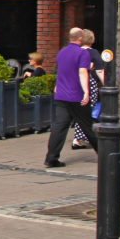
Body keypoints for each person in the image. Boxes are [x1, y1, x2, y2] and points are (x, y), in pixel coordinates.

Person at [44, 28, 98, 168]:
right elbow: (82, 73)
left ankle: (51, 158)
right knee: (88, 126)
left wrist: (57, 86)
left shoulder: (62, 52)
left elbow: (61, 72)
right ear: (81, 38)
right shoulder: (82, 53)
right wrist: (87, 92)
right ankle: (105, 155)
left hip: (61, 96)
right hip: (77, 96)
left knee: (59, 127)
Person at [72, 30, 104, 151]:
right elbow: (100, 71)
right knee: (88, 110)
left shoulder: (76, 52)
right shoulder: (93, 52)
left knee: (79, 110)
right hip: (89, 84)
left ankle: (79, 137)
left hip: (75, 83)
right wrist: (107, 85)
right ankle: (82, 137)